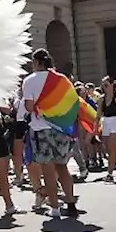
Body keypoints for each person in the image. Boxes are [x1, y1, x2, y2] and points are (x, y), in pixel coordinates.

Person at [22, 49, 78, 217]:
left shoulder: (29, 81)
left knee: (47, 168)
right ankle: (70, 203)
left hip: (41, 129)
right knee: (62, 166)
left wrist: (41, 107)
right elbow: (72, 101)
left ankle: (54, 207)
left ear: (36, 63)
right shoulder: (61, 79)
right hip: (60, 128)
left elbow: (29, 107)